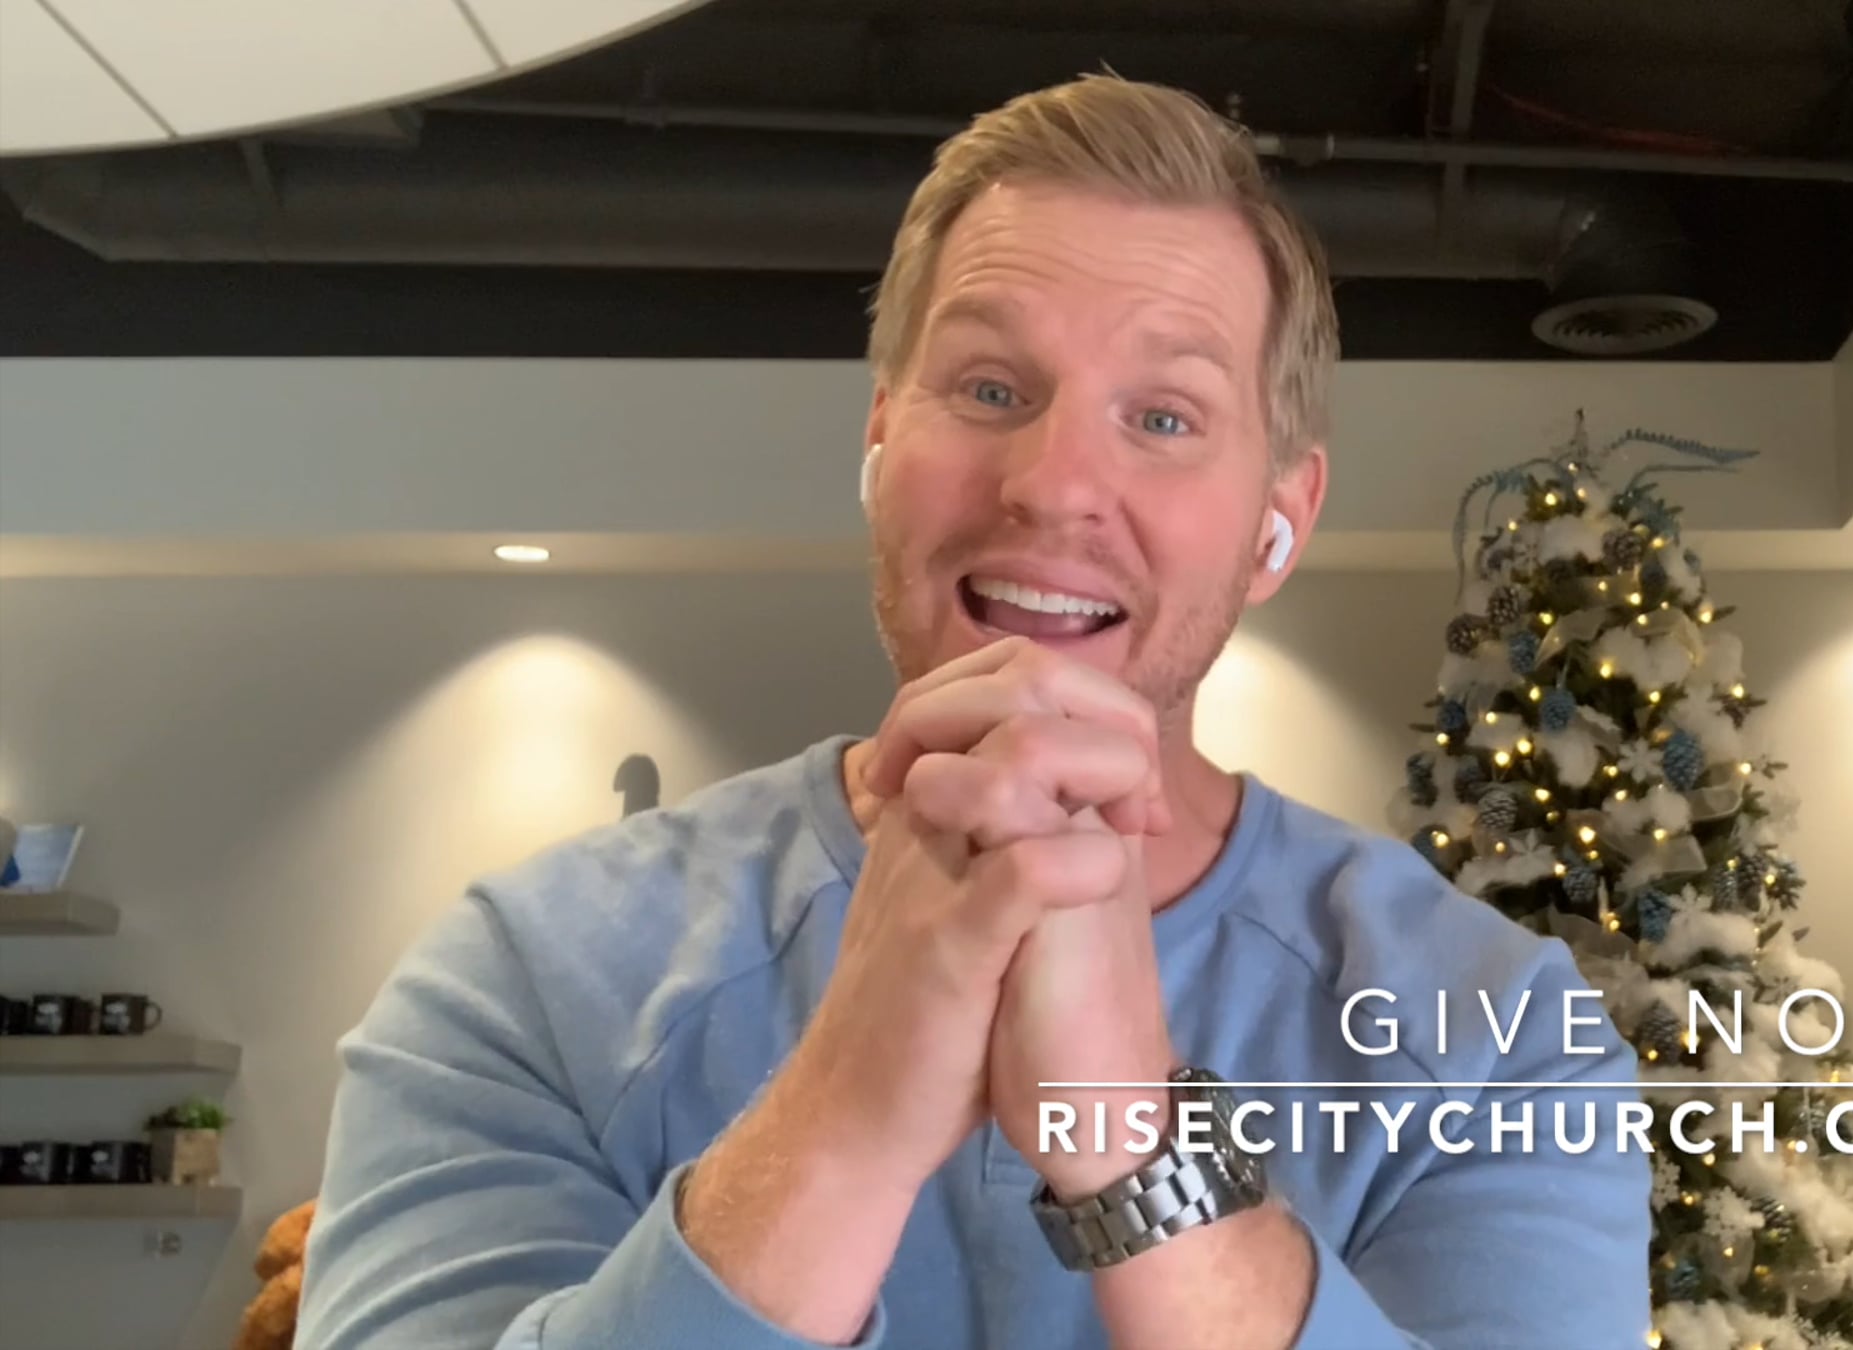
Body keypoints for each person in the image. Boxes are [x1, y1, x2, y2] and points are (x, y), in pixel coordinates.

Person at [297, 74, 1647, 1350]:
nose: (1052, 482)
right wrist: (843, 1113)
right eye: (990, 389)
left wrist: (1137, 1141)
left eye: (1165, 417)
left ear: (1276, 523)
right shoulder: (526, 977)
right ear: (881, 441)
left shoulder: (1496, 1033)